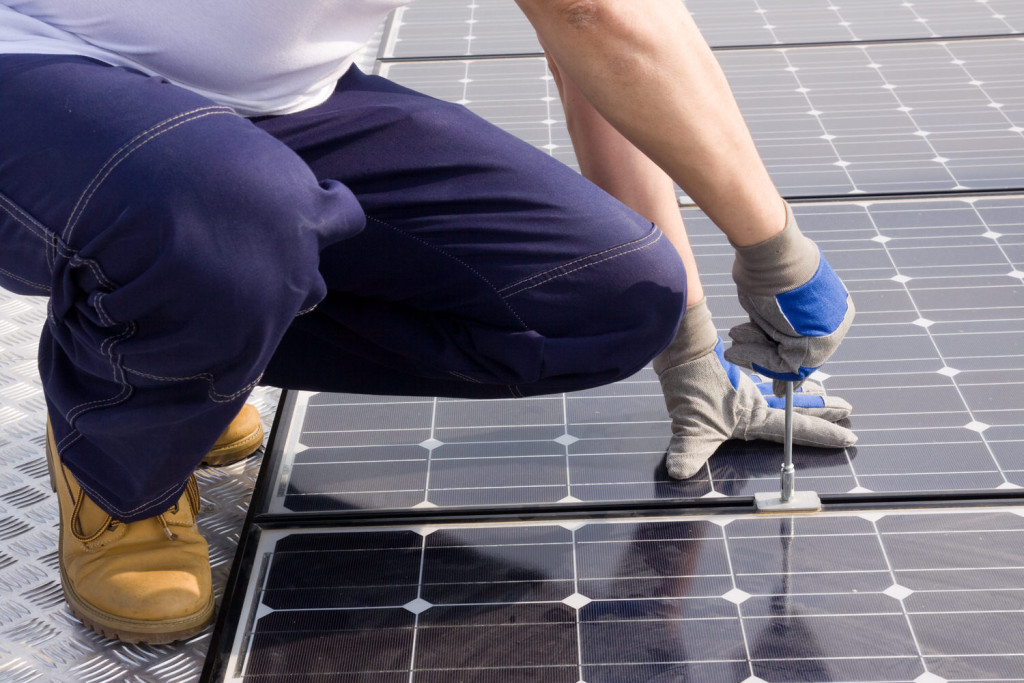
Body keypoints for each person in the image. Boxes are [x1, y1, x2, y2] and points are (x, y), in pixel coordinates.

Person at [0, 0, 855, 644]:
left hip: (274, 108)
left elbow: (597, 39)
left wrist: (691, 355)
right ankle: (118, 470)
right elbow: (593, 18)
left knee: (611, 294)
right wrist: (777, 251)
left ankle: (181, 340)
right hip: (35, 71)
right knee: (233, 206)